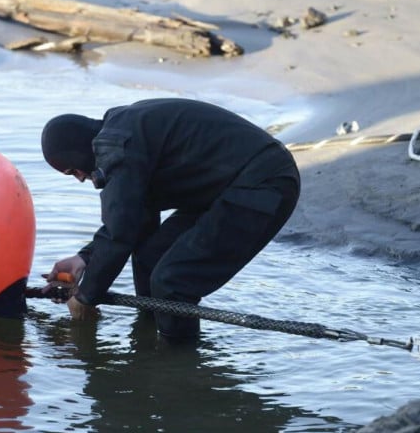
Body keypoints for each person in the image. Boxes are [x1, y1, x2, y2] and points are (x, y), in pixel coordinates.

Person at [41, 98, 300, 340]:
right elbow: (132, 218)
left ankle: (179, 365)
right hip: (226, 187)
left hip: (264, 183)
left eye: (73, 170)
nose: (80, 178)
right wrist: (84, 258)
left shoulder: (115, 147)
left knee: (173, 281)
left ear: (78, 150)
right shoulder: (122, 135)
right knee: (150, 257)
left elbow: (120, 231)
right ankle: (149, 340)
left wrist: (86, 297)